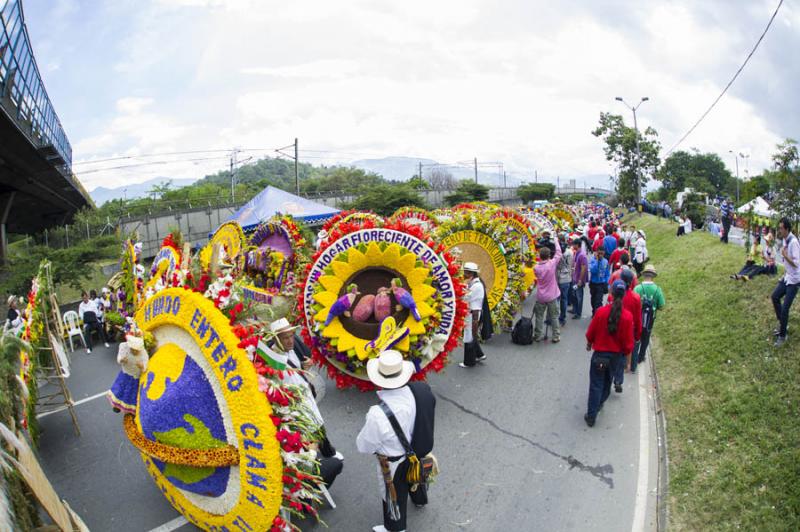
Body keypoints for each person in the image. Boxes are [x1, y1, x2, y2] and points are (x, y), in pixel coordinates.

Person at [356, 350, 436, 532]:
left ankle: (396, 527)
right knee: (417, 476)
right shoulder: (420, 390)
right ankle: (420, 499)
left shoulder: (377, 414)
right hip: (419, 450)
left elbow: (364, 446)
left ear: (378, 380)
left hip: (394, 462)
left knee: (394, 493)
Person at [584, 280, 634, 427]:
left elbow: (590, 333)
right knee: (607, 383)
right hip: (615, 358)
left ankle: (591, 415)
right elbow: (628, 344)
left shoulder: (601, 312)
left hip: (599, 355)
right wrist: (628, 362)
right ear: (624, 295)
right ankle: (599, 403)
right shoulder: (627, 317)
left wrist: (589, 344)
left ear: (611, 293)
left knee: (595, 385)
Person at [607, 269, 642, 392]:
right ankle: (618, 379)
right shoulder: (636, 298)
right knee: (622, 356)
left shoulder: (613, 296)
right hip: (628, 330)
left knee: (612, 353)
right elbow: (638, 318)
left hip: (614, 328)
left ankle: (610, 377)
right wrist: (637, 335)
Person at [771, 218, 800, 347]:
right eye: (779, 228)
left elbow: (796, 264)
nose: (779, 230)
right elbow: (786, 264)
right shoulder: (785, 239)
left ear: (787, 229)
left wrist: (785, 255)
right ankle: (783, 324)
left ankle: (783, 336)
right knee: (775, 296)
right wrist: (783, 276)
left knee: (785, 309)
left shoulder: (793, 242)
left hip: (795, 280)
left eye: (781, 228)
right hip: (787, 277)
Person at [633, 264, 666, 369]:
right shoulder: (657, 289)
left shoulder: (638, 288)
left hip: (638, 317)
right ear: (653, 276)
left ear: (644, 275)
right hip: (650, 319)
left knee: (636, 336)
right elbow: (661, 306)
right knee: (646, 337)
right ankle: (641, 356)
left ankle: (633, 356)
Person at [533, 238, 562, 343]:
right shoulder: (551, 264)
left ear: (540, 256)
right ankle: (556, 336)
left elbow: (536, 277)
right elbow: (559, 253)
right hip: (552, 295)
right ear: (549, 256)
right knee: (554, 316)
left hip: (541, 295)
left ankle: (537, 335)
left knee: (539, 316)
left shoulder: (536, 267)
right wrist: (556, 241)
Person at [460, 262, 486, 367]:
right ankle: (479, 354)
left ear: (471, 273)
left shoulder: (476, 286)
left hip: (472, 314)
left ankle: (469, 362)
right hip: (471, 313)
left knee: (468, 336)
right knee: (471, 335)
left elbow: (466, 297)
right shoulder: (472, 283)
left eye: (465, 272)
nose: (464, 274)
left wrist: (460, 292)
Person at [556, 237, 574, 328]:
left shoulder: (557, 253)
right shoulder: (570, 252)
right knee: (564, 299)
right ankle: (562, 318)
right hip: (566, 277)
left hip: (558, 277)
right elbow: (571, 265)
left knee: (556, 299)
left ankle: (554, 317)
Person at [588, 248, 609, 316]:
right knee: (593, 300)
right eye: (599, 254)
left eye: (602, 254)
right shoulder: (593, 260)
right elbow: (593, 270)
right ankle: (594, 311)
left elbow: (607, 273)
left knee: (599, 301)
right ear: (597, 253)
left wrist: (606, 283)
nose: (600, 255)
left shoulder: (605, 261)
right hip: (593, 283)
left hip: (601, 284)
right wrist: (597, 261)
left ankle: (597, 315)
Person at [571, 238, 588, 319]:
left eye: (574, 244)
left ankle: (578, 313)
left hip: (578, 279)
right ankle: (574, 309)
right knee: (574, 295)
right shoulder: (577, 253)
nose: (573, 246)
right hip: (575, 277)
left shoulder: (582, 255)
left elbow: (583, 268)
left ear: (577, 245)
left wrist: (580, 280)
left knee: (579, 296)